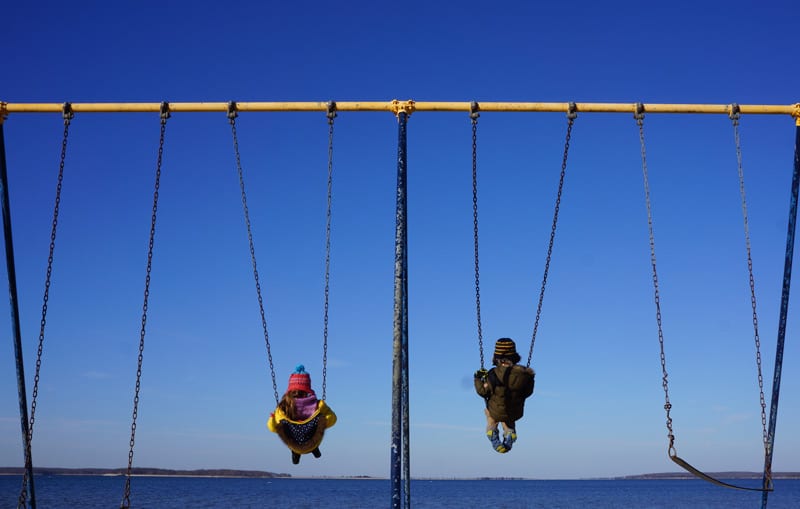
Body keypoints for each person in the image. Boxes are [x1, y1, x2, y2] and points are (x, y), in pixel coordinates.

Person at [474, 338, 535, 453]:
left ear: (496, 358)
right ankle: (510, 432)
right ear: (514, 357)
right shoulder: (523, 374)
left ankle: (492, 431)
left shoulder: (492, 374)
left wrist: (477, 378)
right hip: (515, 411)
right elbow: (528, 392)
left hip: (496, 411)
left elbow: (482, 391)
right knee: (508, 416)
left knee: (491, 414)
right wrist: (530, 378)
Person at [267, 365, 337, 464]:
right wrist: (324, 416)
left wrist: (272, 418)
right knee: (315, 428)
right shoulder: (318, 405)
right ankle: (315, 449)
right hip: (312, 442)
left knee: (289, 432)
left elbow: (273, 428)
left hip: (294, 444)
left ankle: (295, 453)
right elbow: (333, 420)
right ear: (308, 388)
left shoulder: (282, 408)